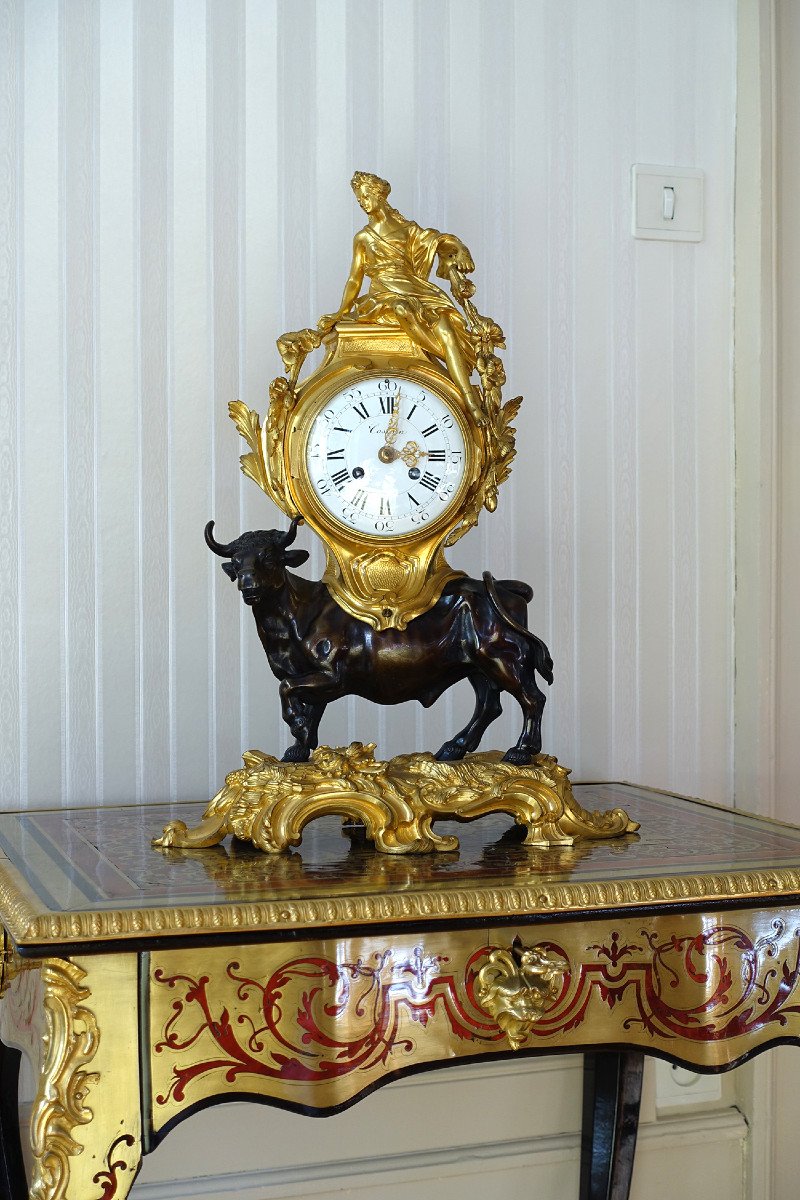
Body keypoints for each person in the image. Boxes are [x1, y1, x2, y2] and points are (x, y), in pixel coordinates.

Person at [318, 172, 483, 423]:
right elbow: (355, 279)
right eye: (358, 199)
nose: (361, 202)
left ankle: (469, 399)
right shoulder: (363, 237)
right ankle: (444, 370)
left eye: (365, 196)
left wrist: (458, 248)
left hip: (418, 291)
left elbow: (436, 241)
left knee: (448, 331)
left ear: (378, 195)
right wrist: (341, 312)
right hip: (383, 296)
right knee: (401, 308)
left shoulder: (409, 230)